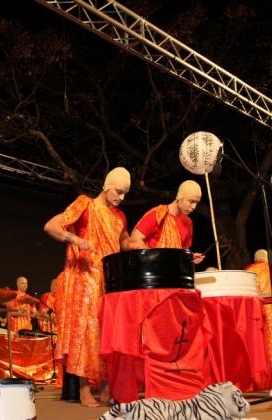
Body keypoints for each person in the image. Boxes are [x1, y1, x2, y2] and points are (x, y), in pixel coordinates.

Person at [44, 167, 131, 406]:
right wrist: (77, 240)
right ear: (106, 185)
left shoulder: (119, 216)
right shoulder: (85, 205)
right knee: (86, 333)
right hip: (85, 280)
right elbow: (51, 226)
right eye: (119, 192)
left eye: (125, 194)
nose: (121, 198)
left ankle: (106, 388)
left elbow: (124, 242)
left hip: (109, 280)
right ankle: (83, 389)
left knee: (107, 334)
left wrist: (142, 245)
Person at [123, 179, 205, 264]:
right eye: (191, 201)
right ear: (180, 197)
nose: (194, 207)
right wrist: (153, 258)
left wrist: (190, 256)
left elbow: (183, 250)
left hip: (175, 272)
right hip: (154, 272)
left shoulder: (188, 222)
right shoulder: (158, 214)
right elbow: (135, 239)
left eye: (196, 203)